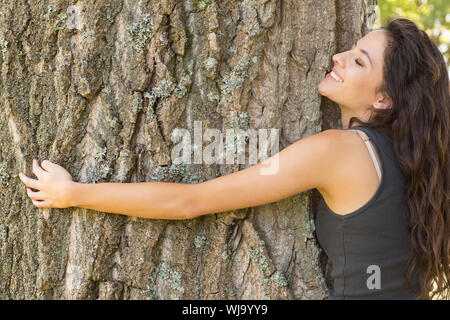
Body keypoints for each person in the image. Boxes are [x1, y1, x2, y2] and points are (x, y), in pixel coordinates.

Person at [18, 18, 449, 300]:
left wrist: (74, 192)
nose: (338, 56)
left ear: (385, 97)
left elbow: (191, 202)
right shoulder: (410, 164)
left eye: (359, 60)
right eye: (352, 48)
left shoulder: (339, 151)